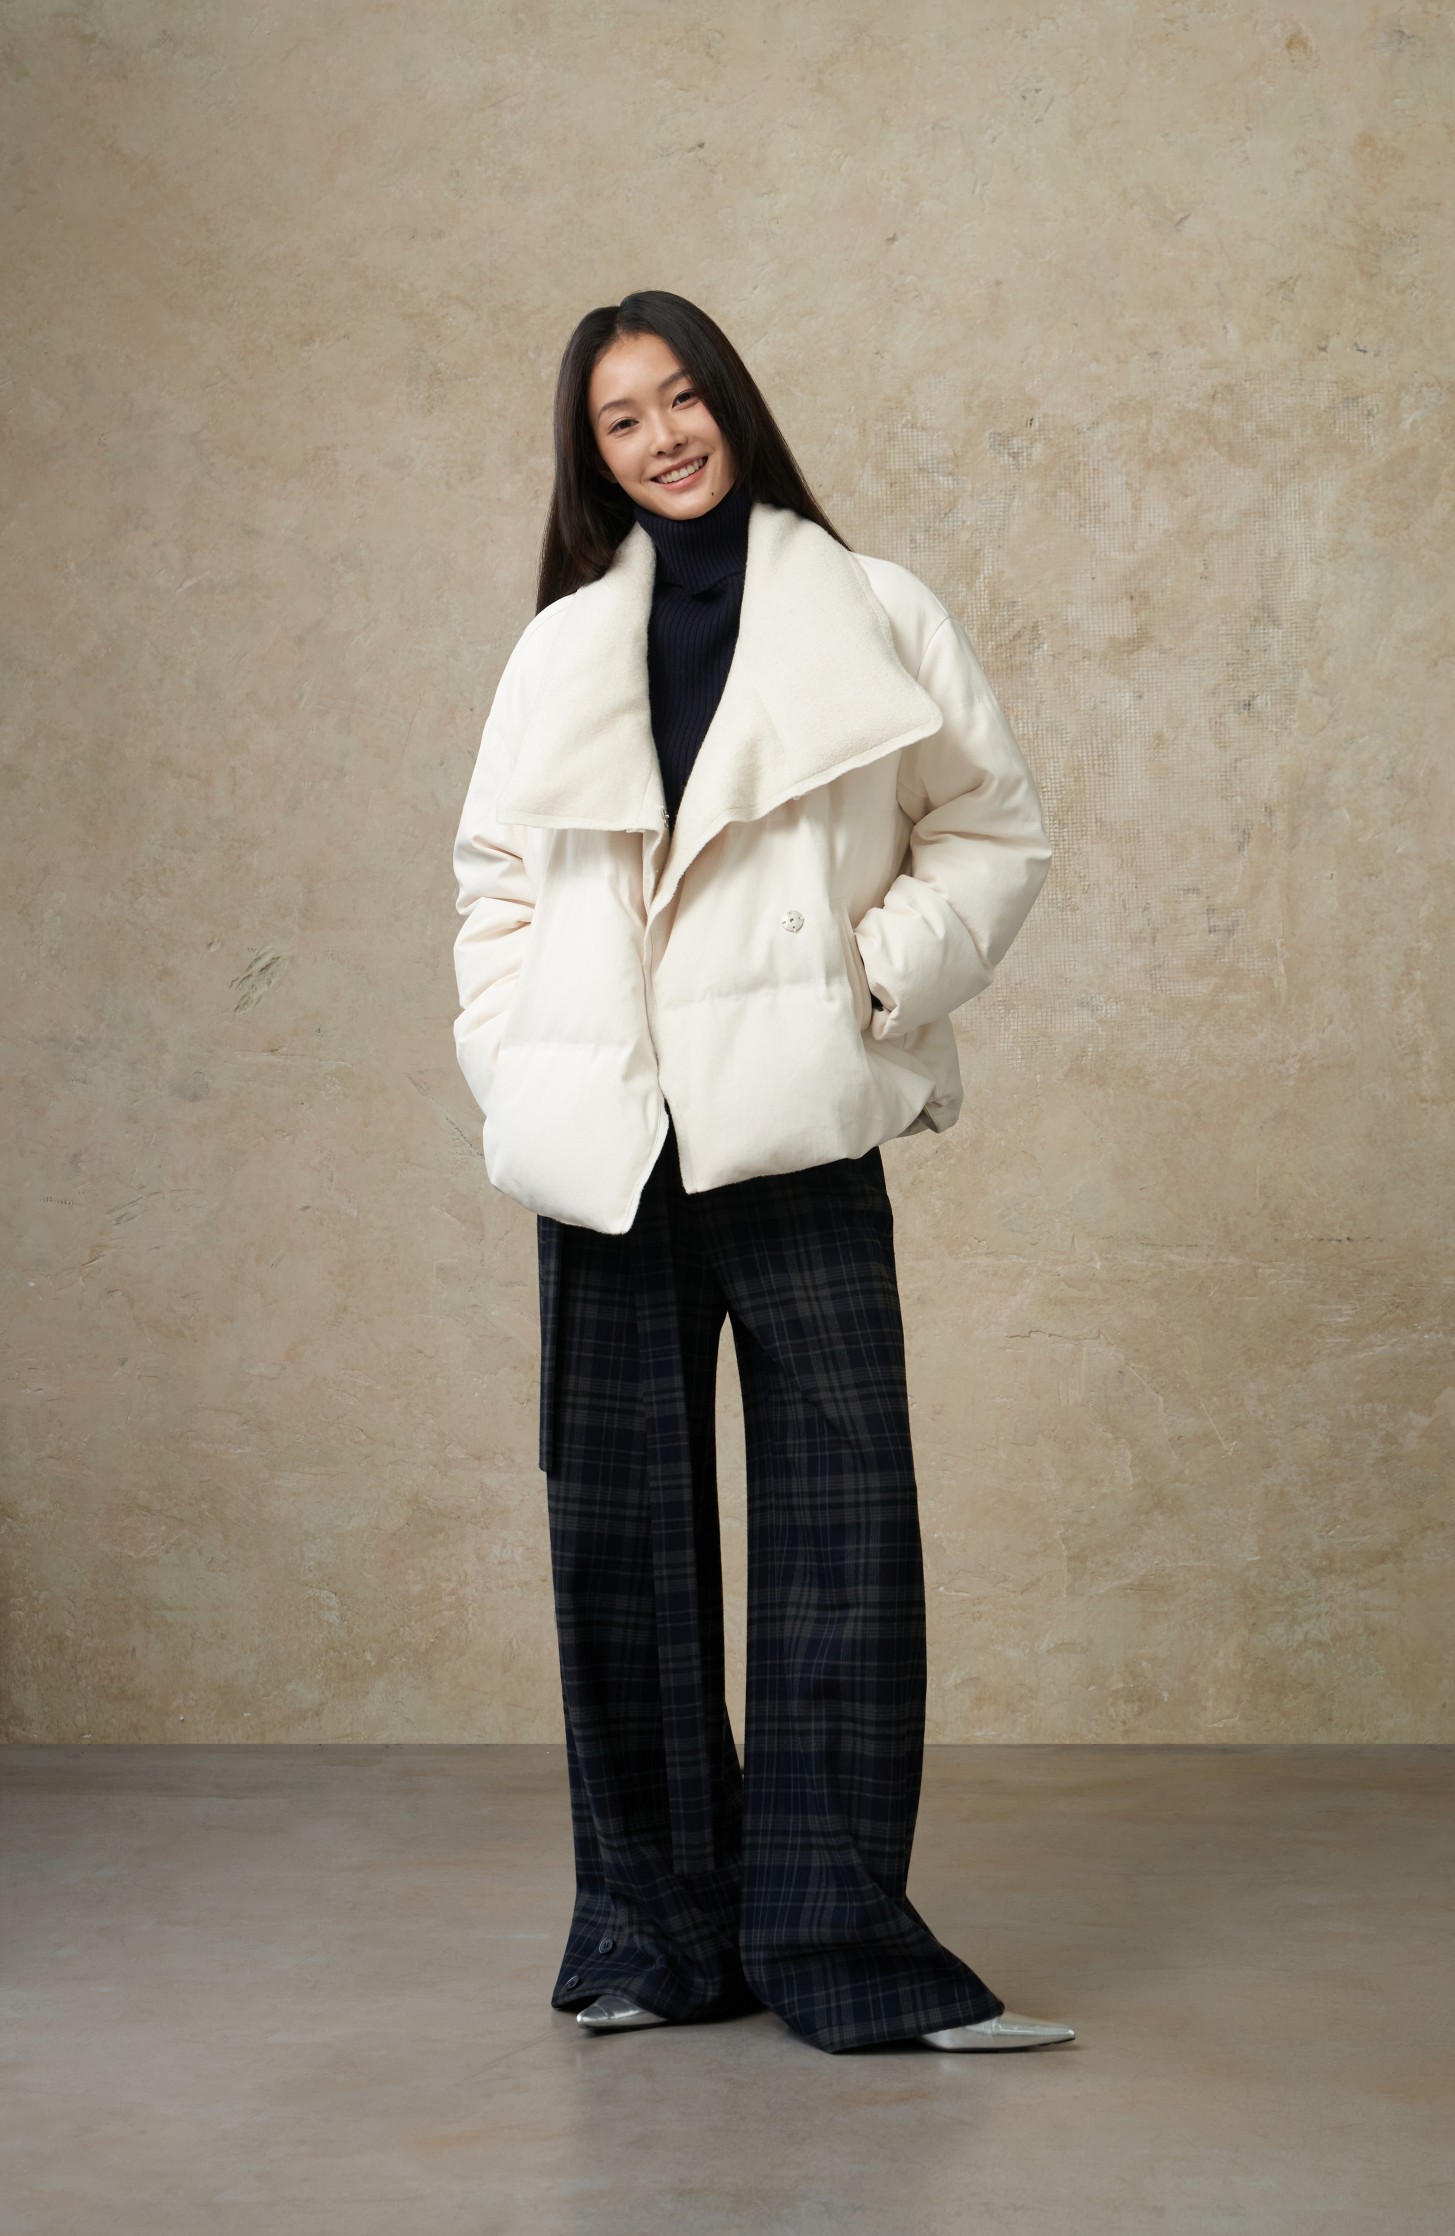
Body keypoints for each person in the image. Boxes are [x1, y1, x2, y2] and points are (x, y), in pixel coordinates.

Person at [450, 290, 1071, 2055]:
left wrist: (865, 988)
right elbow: (496, 883)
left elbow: (993, 827)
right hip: (611, 1142)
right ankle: (655, 1936)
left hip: (793, 1125)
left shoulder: (872, 608)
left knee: (844, 1536)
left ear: (731, 400)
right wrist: (520, 1058)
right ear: (593, 454)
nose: (663, 435)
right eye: (622, 417)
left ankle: (840, 1937)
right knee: (619, 1543)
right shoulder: (561, 645)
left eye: (682, 396)